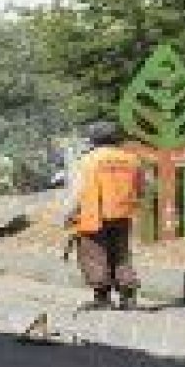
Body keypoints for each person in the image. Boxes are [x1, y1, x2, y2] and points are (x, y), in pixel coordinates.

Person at [62, 121, 142, 310]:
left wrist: (69, 213)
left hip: (93, 214)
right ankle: (128, 297)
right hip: (122, 213)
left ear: (93, 139)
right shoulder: (132, 159)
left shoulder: (88, 160)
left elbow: (78, 190)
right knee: (121, 254)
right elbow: (141, 188)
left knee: (94, 255)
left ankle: (103, 298)